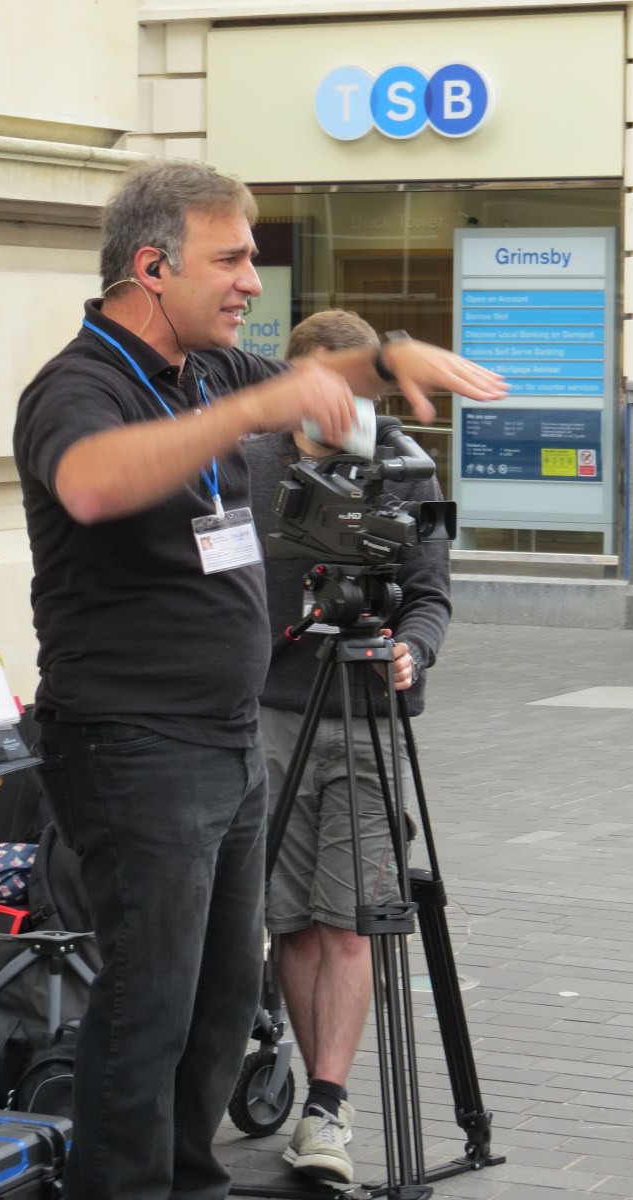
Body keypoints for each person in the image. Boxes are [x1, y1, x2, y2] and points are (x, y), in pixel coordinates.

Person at [12, 158, 506, 1200]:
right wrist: (250, 410)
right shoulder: (80, 386)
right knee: (147, 1008)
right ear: (153, 267)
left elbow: (319, 377)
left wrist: (392, 356)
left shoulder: (207, 370)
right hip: (134, 744)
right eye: (230, 259)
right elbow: (92, 483)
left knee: (219, 1002)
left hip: (226, 737)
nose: (250, 281)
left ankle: (191, 1181)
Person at [244, 310, 451, 1185]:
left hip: (367, 716)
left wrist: (413, 651)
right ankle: (309, 1097)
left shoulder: (402, 466)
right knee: (290, 920)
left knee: (351, 918)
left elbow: (430, 597)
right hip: (267, 716)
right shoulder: (247, 461)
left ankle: (327, 1107)